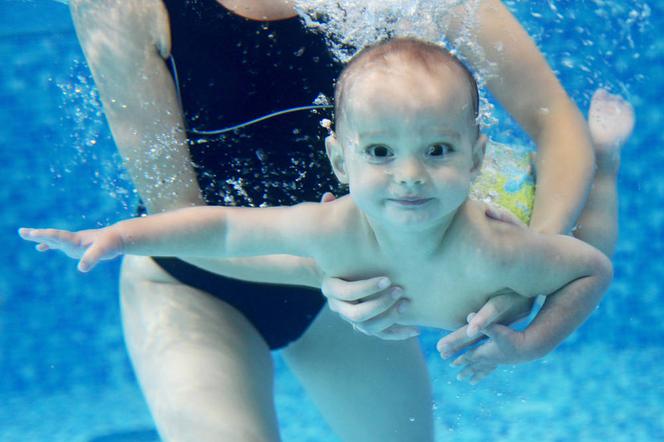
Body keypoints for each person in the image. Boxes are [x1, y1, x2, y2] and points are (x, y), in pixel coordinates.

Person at [63, 0, 615, 440]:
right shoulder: (117, 6)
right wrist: (324, 271)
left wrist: (523, 264)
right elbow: (184, 219)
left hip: (361, 279)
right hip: (197, 284)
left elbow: (556, 125)